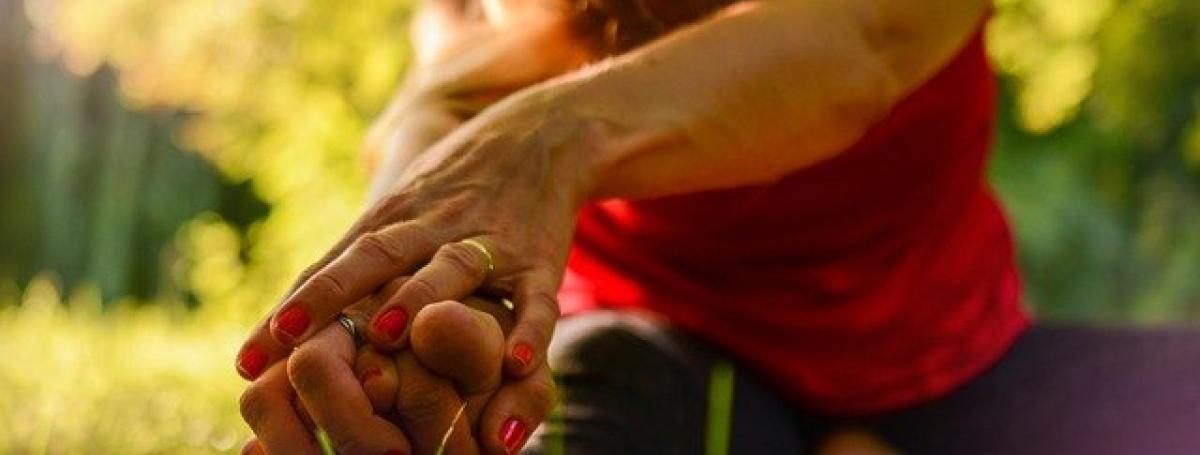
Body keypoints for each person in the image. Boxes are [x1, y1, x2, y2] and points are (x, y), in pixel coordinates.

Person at [235, 0, 1200, 453]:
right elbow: (439, 97)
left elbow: (858, 42)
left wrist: (549, 138)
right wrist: (391, 297)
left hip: (947, 354)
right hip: (652, 336)